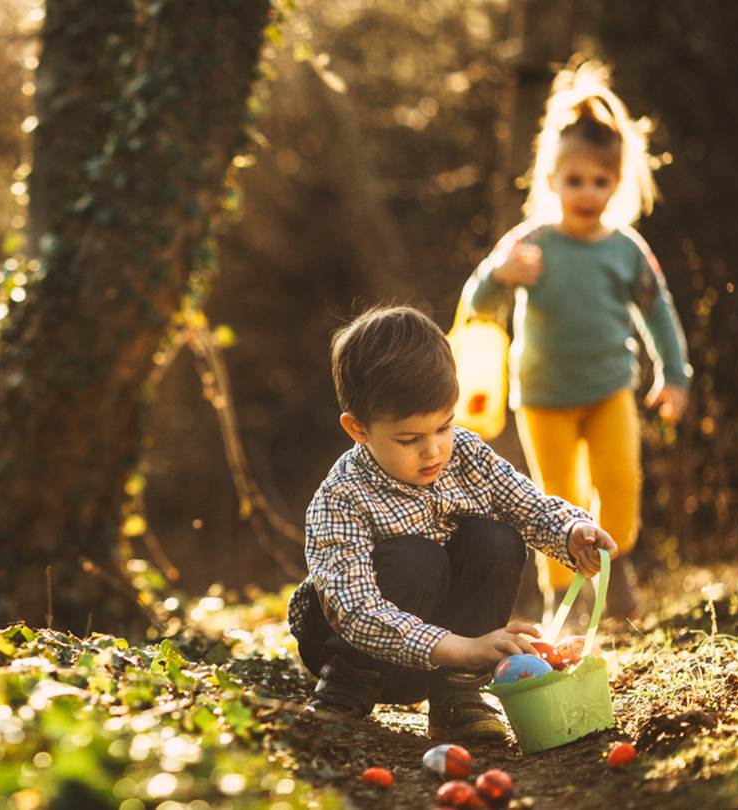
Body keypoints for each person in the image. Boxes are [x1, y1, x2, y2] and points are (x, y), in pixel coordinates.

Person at [287, 306, 618, 740]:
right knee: (416, 558)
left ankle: (457, 697)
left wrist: (570, 531)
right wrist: (463, 647)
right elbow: (356, 610)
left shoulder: (465, 454)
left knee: (497, 539)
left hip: (448, 658)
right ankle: (343, 692)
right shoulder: (342, 496)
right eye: (410, 439)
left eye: (444, 427)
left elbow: (526, 504)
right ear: (358, 429)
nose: (434, 451)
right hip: (361, 650)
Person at [465, 61, 691, 619]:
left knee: (619, 484)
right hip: (543, 398)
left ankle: (617, 572)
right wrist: (499, 274)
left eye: (601, 181)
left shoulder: (626, 249)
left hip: (609, 388)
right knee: (556, 499)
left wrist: (674, 375)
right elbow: (477, 305)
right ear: (551, 179)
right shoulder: (529, 244)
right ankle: (557, 598)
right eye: (575, 181)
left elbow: (658, 312)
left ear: (618, 182)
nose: (588, 193)